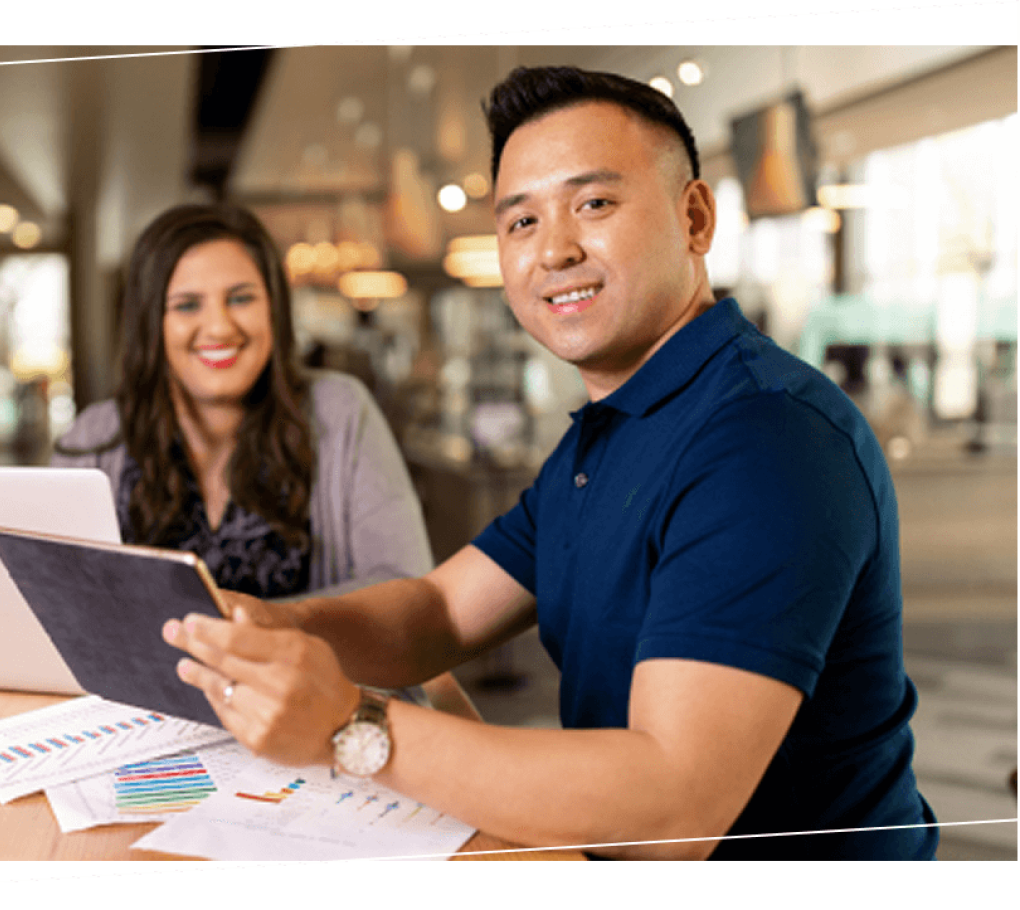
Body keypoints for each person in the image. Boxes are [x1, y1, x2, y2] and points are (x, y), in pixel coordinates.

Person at [162, 66, 938, 860]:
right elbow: (438, 613)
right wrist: (275, 624)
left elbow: (675, 809)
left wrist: (349, 727)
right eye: (521, 222)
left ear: (695, 217)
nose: (554, 250)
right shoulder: (606, 431)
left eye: (594, 204)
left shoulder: (767, 437)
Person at [53, 202, 476, 716]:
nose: (219, 326)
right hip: (148, 721)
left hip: (313, 719)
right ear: (150, 323)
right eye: (187, 305)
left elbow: (401, 588)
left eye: (241, 298)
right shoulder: (94, 437)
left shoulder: (339, 411)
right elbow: (58, 602)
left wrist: (256, 628)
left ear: (273, 309)